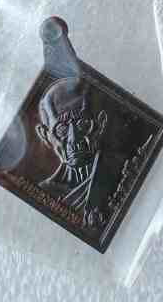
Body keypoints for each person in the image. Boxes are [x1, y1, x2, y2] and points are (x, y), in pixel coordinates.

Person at [34, 78, 115, 226]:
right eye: (61, 130)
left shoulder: (119, 173)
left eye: (83, 124)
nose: (73, 139)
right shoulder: (44, 192)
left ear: (101, 123)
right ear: (45, 135)